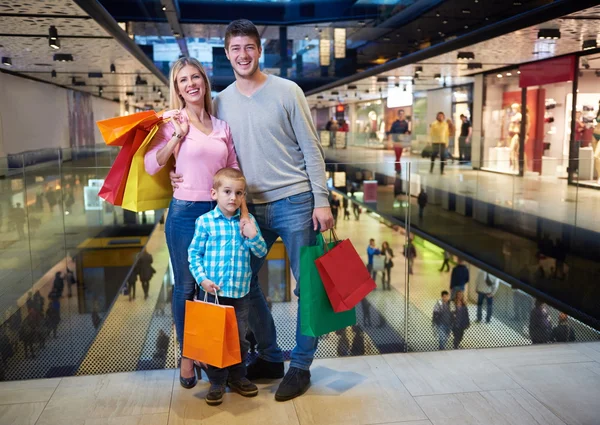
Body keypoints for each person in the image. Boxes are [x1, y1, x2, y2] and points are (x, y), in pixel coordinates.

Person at [172, 19, 333, 402]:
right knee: (246, 285)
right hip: (247, 209)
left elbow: (311, 149)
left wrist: (322, 199)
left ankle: (300, 366)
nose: (242, 55)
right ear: (227, 54)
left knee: (306, 285)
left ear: (259, 50)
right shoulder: (221, 100)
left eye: (249, 47)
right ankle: (271, 355)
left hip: (294, 201)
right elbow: (211, 152)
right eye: (235, 49)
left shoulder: (287, 91)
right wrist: (176, 179)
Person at [145, 56, 241, 390]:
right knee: (186, 285)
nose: (191, 84)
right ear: (177, 88)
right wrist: (176, 139)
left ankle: (209, 352)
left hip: (219, 216)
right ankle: (187, 355)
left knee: (210, 286)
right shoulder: (173, 121)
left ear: (204, 81)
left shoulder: (221, 126)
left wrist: (242, 212)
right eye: (183, 80)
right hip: (185, 212)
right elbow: (150, 165)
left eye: (195, 77)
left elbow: (233, 171)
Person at [188, 167, 268, 406]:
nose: (233, 197)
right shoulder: (205, 222)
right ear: (214, 194)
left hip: (240, 293)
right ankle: (216, 381)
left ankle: (237, 376)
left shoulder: (247, 221)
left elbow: (261, 251)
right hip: (213, 294)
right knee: (215, 338)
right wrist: (202, 279)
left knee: (240, 339)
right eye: (227, 191)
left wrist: (252, 235)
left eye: (239, 193)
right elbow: (194, 254)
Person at [388, 109, 410, 173]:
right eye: (400, 114)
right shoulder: (395, 123)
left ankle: (396, 166)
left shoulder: (405, 123)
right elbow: (391, 132)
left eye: (402, 114)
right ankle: (398, 168)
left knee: (399, 155)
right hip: (396, 141)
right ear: (398, 114)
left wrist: (406, 134)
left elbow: (406, 131)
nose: (401, 115)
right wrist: (390, 140)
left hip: (401, 141)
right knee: (397, 155)